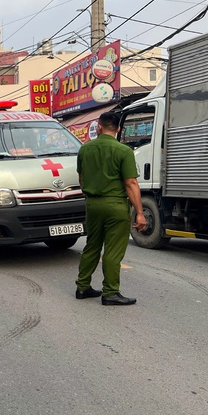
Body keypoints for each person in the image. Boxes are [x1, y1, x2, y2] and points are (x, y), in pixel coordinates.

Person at [75, 112, 147, 305]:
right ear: (118, 129)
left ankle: (82, 287)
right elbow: (131, 183)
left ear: (99, 127)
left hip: (92, 204)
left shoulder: (84, 149)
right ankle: (110, 292)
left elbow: (81, 179)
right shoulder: (123, 151)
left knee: (92, 245)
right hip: (115, 205)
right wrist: (140, 213)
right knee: (113, 250)